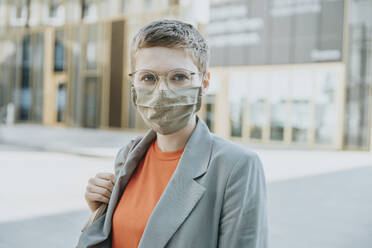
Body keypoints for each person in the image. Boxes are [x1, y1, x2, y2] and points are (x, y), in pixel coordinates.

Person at [77, 19, 268, 248]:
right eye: (148, 77)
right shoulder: (127, 155)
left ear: (204, 83)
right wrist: (100, 214)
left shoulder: (236, 166)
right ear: (134, 83)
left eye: (179, 77)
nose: (162, 92)